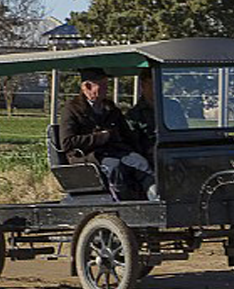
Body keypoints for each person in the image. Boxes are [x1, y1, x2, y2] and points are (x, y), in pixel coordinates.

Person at [60, 67, 156, 200]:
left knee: (141, 163)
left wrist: (137, 149)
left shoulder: (109, 107)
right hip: (90, 156)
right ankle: (126, 204)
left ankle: (154, 199)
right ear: (87, 86)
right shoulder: (72, 109)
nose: (107, 89)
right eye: (103, 85)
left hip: (115, 151)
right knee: (114, 168)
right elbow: (67, 143)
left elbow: (127, 133)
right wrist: (99, 138)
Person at [126, 68, 188, 159]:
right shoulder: (134, 115)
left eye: (158, 83)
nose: (155, 87)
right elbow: (133, 143)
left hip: (177, 152)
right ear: (143, 85)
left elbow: (184, 131)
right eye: (150, 83)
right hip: (151, 158)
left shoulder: (174, 106)